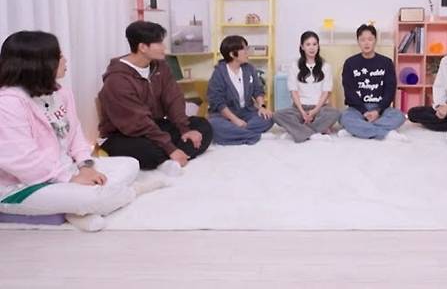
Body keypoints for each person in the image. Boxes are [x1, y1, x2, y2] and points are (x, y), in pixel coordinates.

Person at [0, 31, 163, 231]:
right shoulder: (8, 104)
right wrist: (69, 178)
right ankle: (130, 192)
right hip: (24, 186)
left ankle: (76, 210)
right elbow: (23, 162)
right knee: (91, 196)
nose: (65, 60)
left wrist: (85, 166)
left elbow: (75, 135)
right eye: (59, 56)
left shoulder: (60, 92)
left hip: (65, 170)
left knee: (130, 163)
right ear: (38, 63)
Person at [98, 21, 212, 175]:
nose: (164, 47)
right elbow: (137, 121)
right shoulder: (117, 80)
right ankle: (171, 156)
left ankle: (168, 159)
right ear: (143, 47)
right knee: (150, 151)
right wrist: (170, 148)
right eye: (159, 43)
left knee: (203, 126)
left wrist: (185, 129)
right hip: (124, 133)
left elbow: (174, 98)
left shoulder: (161, 67)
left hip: (154, 125)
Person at [339, 24, 406, 141]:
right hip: (357, 109)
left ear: (375, 40)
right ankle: (385, 134)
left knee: (400, 116)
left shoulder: (386, 62)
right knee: (344, 118)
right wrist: (364, 111)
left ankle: (356, 130)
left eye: (370, 39)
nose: (366, 43)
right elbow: (349, 92)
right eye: (362, 40)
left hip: (381, 109)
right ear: (358, 41)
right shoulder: (350, 63)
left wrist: (377, 111)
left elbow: (390, 90)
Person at [273, 31, 340, 142]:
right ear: (302, 47)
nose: (312, 48)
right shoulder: (295, 66)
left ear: (318, 46)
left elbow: (326, 92)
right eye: (308, 44)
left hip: (320, 108)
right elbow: (294, 92)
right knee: (277, 115)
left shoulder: (325, 66)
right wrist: (302, 112)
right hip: (299, 108)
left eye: (314, 44)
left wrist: (314, 111)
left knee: (335, 113)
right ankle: (315, 132)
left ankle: (296, 131)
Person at [207, 35, 274, 145]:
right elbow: (218, 102)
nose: (248, 52)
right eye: (245, 50)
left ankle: (236, 134)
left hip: (247, 112)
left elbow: (258, 90)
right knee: (214, 125)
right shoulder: (219, 73)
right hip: (226, 115)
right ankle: (253, 135)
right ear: (232, 54)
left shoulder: (249, 68)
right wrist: (235, 120)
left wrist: (262, 107)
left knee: (268, 118)